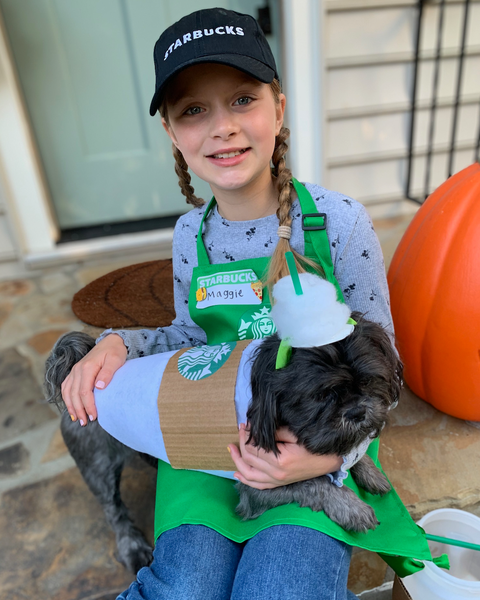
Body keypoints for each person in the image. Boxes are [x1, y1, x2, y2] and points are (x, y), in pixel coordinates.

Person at [61, 8, 396, 600]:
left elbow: (383, 366)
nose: (223, 127)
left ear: (279, 108)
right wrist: (121, 342)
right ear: (171, 131)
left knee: (279, 590)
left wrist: (328, 461)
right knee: (182, 589)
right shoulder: (192, 234)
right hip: (209, 440)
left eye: (242, 99)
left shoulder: (338, 223)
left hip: (312, 448)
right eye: (194, 109)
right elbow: (192, 338)